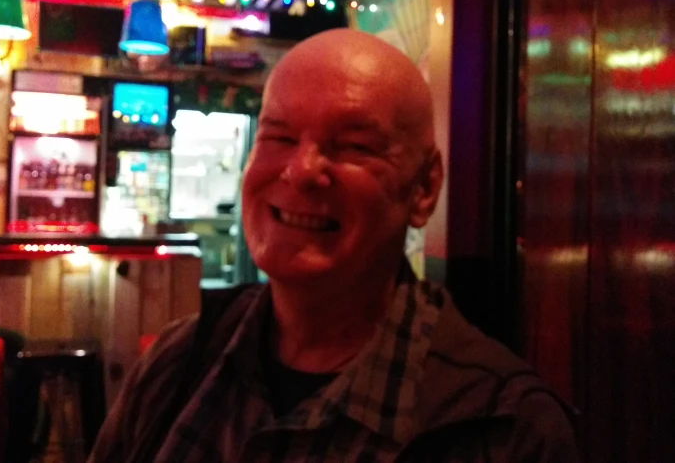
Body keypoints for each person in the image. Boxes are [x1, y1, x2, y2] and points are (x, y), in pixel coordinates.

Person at [89, 29, 579, 462]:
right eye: (278, 137)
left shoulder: (508, 432)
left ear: (424, 188)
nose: (301, 171)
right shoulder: (178, 363)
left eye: (354, 146)